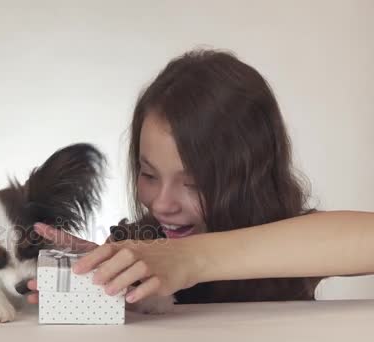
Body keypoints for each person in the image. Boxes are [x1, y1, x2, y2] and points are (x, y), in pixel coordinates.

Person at [25, 48, 374, 306]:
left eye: (193, 183)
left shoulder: (291, 237)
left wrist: (189, 259)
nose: (162, 203)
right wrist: (112, 281)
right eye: (148, 174)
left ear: (251, 177)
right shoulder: (141, 243)